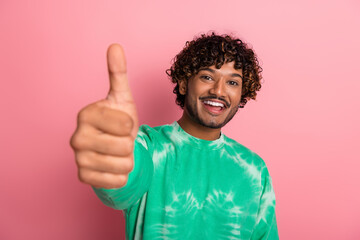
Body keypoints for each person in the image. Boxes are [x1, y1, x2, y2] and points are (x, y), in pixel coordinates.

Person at [70, 32, 279, 239]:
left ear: (242, 93)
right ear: (183, 83)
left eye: (232, 82)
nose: (219, 91)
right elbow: (122, 184)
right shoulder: (148, 147)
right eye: (207, 77)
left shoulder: (253, 169)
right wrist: (109, 156)